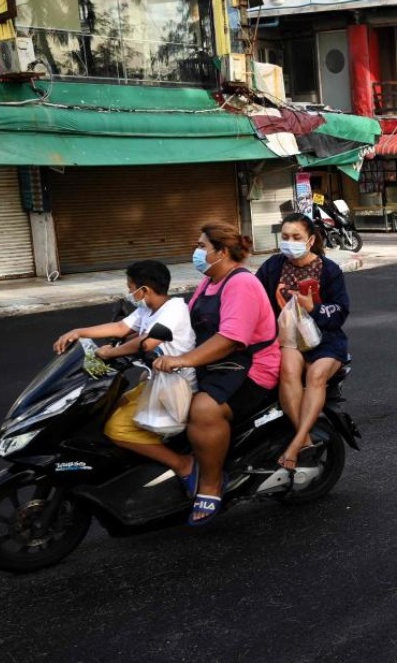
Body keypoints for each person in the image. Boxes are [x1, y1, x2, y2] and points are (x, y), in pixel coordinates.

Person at [153, 223, 281, 526]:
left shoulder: (241, 283)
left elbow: (231, 339)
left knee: (203, 410)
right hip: (218, 362)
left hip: (252, 366)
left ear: (221, 252)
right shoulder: (211, 281)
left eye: (202, 246)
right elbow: (185, 320)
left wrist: (183, 360)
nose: (196, 252)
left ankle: (212, 483)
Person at [53, 261, 198, 478]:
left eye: (130, 288)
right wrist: (79, 332)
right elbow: (122, 328)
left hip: (175, 388)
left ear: (145, 290)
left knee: (117, 429)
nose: (130, 293)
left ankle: (183, 464)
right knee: (109, 407)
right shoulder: (148, 309)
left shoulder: (174, 310)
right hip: (155, 381)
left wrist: (110, 352)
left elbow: (148, 342)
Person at [255, 213, 351, 471]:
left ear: (310, 240)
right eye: (285, 237)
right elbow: (256, 301)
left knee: (316, 376)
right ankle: (306, 439)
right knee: (287, 373)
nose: (289, 242)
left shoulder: (329, 270)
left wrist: (314, 308)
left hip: (325, 340)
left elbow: (341, 311)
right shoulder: (272, 267)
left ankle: (295, 444)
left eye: (296, 237)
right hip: (288, 338)